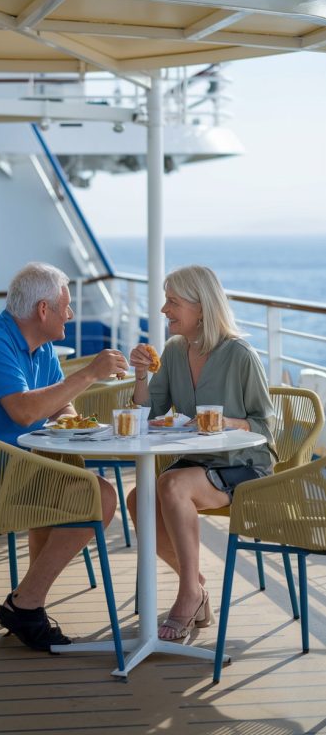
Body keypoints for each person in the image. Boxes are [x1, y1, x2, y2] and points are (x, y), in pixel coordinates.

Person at [0, 262, 129, 650]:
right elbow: (24, 411)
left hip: (10, 469)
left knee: (73, 485)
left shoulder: (42, 350)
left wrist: (72, 422)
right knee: (100, 496)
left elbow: (62, 410)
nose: (70, 315)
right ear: (44, 310)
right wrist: (90, 374)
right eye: (66, 306)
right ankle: (25, 605)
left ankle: (28, 602)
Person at [127, 264, 275, 642]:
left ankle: (188, 594)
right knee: (137, 498)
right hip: (198, 464)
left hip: (244, 466)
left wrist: (230, 423)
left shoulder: (240, 354)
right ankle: (195, 584)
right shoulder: (175, 350)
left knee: (172, 484)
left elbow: (266, 427)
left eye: (172, 302)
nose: (163, 310)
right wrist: (141, 375)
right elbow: (150, 413)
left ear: (202, 308)